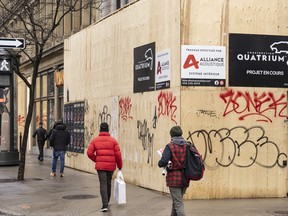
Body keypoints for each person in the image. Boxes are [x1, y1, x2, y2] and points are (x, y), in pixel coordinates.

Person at [87, 122, 123, 212]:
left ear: (100, 130)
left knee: (102, 184)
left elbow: (89, 153)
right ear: (108, 130)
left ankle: (104, 205)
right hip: (111, 166)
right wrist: (120, 166)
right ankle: (107, 201)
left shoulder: (95, 140)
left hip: (100, 167)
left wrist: (97, 160)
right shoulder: (113, 141)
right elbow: (118, 155)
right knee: (108, 183)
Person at [158, 126, 190, 216]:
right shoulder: (187, 146)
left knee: (178, 203)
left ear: (171, 135)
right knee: (176, 201)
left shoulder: (170, 146)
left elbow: (163, 161)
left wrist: (160, 163)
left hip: (174, 178)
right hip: (185, 177)